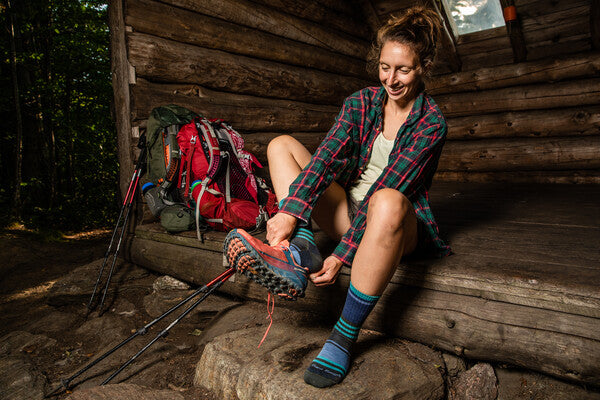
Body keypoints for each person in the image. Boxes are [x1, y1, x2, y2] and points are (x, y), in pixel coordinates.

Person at [224, 5, 451, 388]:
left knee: (387, 200)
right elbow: (325, 159)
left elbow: (388, 187)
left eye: (403, 70)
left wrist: (342, 254)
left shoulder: (431, 123)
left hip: (397, 224)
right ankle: (303, 247)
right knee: (281, 146)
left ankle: (344, 337)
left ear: (424, 66)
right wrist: (292, 214)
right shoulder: (360, 103)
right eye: (384, 67)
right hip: (351, 210)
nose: (390, 80)